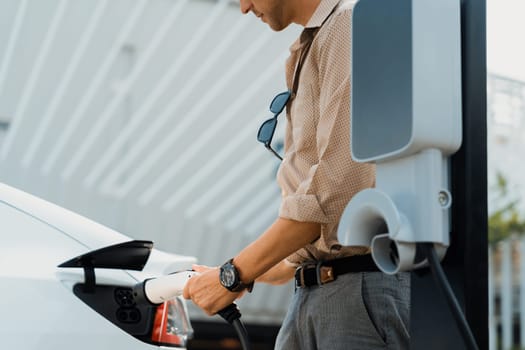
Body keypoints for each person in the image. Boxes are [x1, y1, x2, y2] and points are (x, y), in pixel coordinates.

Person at [183, 0, 410, 349]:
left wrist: (233, 274)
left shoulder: (347, 26)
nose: (243, 7)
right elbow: (315, 238)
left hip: (355, 295)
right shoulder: (319, 38)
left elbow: (334, 194)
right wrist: (237, 275)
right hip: (319, 295)